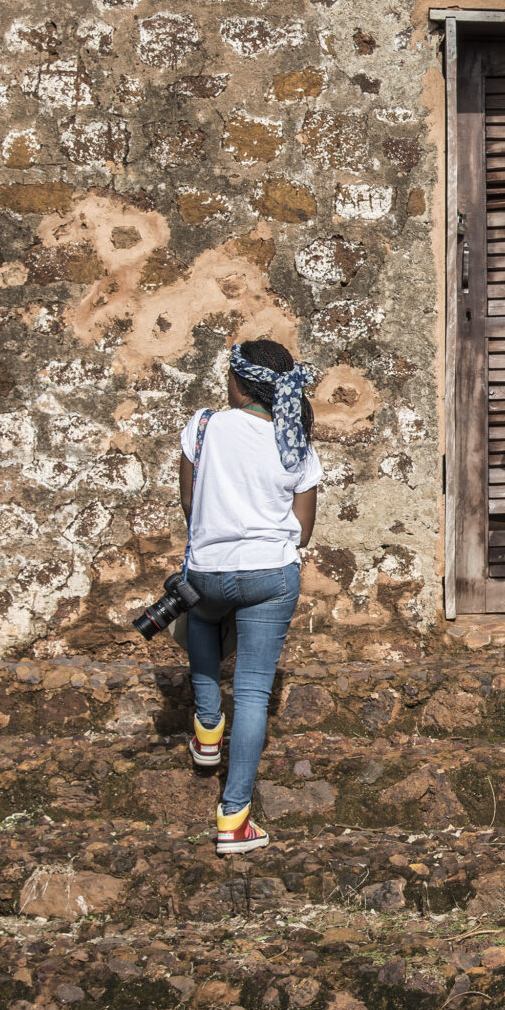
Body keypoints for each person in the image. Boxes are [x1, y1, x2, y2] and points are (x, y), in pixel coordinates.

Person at [179, 339, 321, 856]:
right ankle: (234, 819)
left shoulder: (203, 426)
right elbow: (302, 533)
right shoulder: (297, 442)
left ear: (239, 384)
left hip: (209, 571)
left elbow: (191, 503)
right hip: (272, 576)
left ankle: (208, 726)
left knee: (199, 620)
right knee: (256, 693)